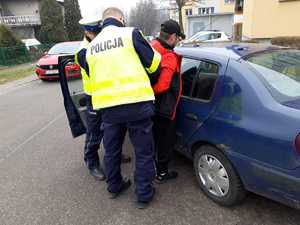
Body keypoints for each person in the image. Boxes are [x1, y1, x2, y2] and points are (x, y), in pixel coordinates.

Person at [81, 7, 161, 209]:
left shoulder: (90, 47)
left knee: (111, 151)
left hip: (108, 109)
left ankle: (114, 186)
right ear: (120, 18)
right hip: (136, 104)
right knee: (143, 152)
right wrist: (148, 79)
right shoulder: (130, 34)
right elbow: (153, 64)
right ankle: (143, 194)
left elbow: (93, 78)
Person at [76, 16, 131, 181]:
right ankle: (92, 163)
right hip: (94, 97)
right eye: (94, 32)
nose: (98, 34)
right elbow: (100, 71)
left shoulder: (99, 45)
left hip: (109, 95)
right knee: (94, 133)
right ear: (87, 32)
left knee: (113, 129)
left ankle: (114, 154)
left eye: (99, 31)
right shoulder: (83, 51)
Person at [151, 20, 185, 183]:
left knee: (153, 138)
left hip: (148, 106)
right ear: (172, 37)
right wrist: (151, 92)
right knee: (165, 141)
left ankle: (151, 166)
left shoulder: (152, 46)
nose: (178, 41)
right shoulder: (169, 56)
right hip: (165, 108)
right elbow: (163, 86)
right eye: (178, 38)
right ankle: (162, 173)